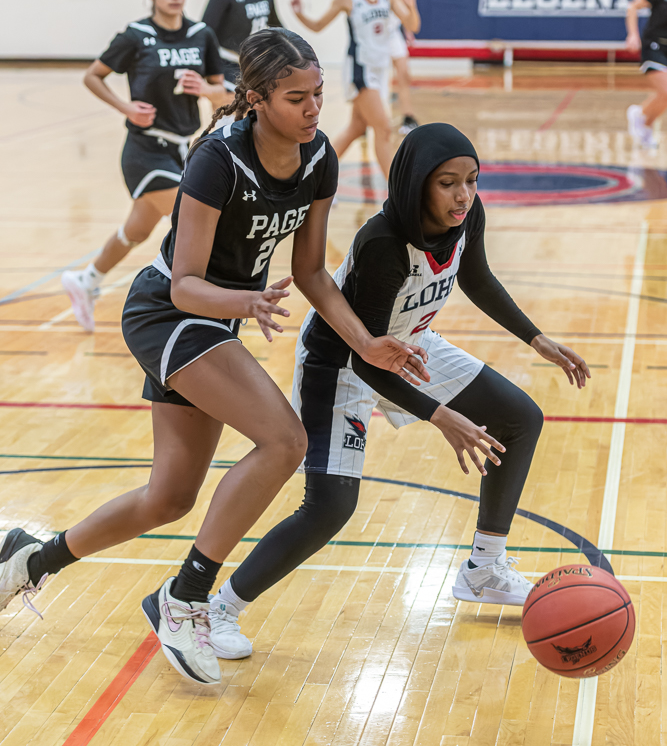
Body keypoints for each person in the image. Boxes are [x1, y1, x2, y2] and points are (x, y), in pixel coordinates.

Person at [0, 29, 430, 686]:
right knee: (285, 440)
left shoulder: (319, 158)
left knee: (168, 498)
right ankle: (185, 597)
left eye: (318, 93)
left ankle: (30, 561)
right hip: (168, 315)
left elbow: (312, 272)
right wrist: (246, 301)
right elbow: (184, 285)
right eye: (296, 97)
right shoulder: (217, 160)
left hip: (218, 319)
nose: (314, 108)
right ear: (256, 99)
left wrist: (365, 341)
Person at [206, 123, 591, 662]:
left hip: (410, 344)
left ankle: (484, 569)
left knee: (519, 416)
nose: (463, 195)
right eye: (448, 183)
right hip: (342, 362)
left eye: (472, 181)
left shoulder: (464, 215)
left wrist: (536, 338)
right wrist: (441, 416)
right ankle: (217, 609)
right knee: (329, 507)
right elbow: (367, 358)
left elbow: (476, 276)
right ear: (416, 184)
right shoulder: (384, 243)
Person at [62, 0, 228, 332]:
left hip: (186, 150)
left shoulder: (202, 35)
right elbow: (93, 76)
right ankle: (197, 310)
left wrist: (205, 89)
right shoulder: (136, 36)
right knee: (197, 224)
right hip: (146, 152)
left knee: (135, 232)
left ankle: (86, 280)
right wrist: (125, 107)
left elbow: (223, 95)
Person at [290, 0, 420, 178]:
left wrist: (411, 4)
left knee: (356, 128)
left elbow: (413, 25)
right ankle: (396, 190)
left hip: (380, 70)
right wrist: (300, 14)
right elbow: (318, 26)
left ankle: (312, 174)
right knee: (383, 129)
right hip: (360, 71)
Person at [379, 0, 420, 135]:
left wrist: (407, 31)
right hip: (375, 34)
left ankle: (408, 117)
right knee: (376, 78)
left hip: (393, 32)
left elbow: (404, 10)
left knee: (404, 74)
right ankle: (366, 117)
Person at [626, 0, 667, 149]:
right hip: (654, 46)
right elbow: (633, 7)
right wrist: (633, 35)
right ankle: (641, 118)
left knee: (665, 96)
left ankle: (644, 122)